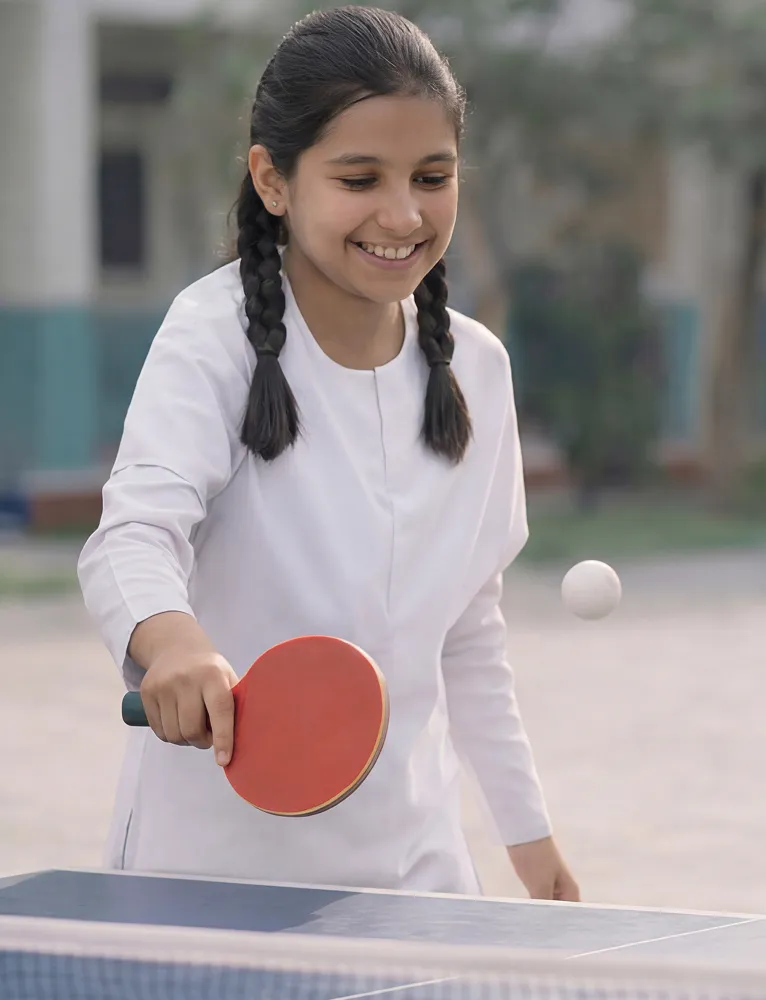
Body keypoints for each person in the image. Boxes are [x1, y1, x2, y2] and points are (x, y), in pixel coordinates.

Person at [77, 5, 578, 902]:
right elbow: (133, 537)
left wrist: (527, 837)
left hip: (415, 883)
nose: (403, 213)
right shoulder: (210, 335)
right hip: (211, 881)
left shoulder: (481, 370)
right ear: (273, 180)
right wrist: (174, 643)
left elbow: (466, 633)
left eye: (433, 176)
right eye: (359, 178)